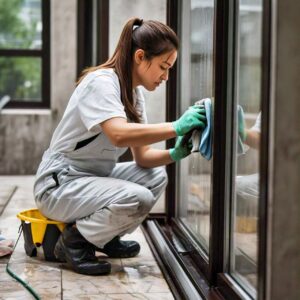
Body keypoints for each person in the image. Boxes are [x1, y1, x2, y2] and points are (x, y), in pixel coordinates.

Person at [33, 18, 206, 275]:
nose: (166, 77)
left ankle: (103, 236)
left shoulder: (134, 95)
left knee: (156, 177)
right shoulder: (101, 83)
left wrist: (176, 152)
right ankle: (74, 242)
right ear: (140, 56)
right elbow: (118, 134)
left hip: (90, 179)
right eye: (163, 66)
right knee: (138, 197)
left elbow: (144, 158)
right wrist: (176, 126)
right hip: (59, 185)